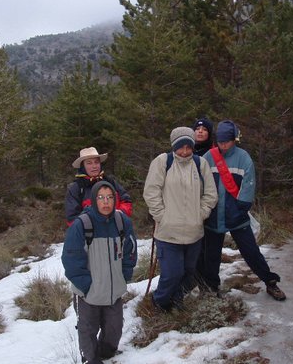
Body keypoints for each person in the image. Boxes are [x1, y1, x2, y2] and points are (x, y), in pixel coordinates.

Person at [197, 120, 286, 301]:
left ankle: (270, 282)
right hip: (213, 216)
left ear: (234, 140)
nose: (223, 145)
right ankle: (211, 288)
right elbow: (199, 182)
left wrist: (241, 208)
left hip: (236, 215)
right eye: (220, 141)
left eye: (226, 141)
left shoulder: (243, 158)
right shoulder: (208, 156)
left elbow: (248, 185)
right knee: (211, 256)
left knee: (251, 252)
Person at [62, 180, 137, 364]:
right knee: (87, 330)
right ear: (93, 200)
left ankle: (107, 353)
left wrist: (123, 277)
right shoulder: (82, 224)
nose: (106, 202)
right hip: (88, 293)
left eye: (110, 197)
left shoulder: (121, 222)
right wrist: (87, 287)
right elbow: (71, 260)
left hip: (114, 291)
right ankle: (91, 359)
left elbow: (130, 251)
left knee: (114, 329)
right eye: (101, 198)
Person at [143, 127, 218, 311]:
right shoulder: (163, 162)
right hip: (168, 234)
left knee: (188, 273)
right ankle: (159, 302)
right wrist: (162, 216)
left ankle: (177, 301)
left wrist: (201, 214)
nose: (185, 151)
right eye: (180, 147)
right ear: (173, 146)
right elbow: (151, 192)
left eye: (188, 147)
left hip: (194, 234)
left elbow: (210, 194)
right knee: (171, 274)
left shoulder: (200, 164)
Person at [65, 147, 132, 225]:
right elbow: (72, 218)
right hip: (90, 235)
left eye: (96, 162)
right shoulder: (76, 188)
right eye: (89, 163)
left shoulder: (110, 182)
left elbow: (126, 201)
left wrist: (119, 214)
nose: (94, 166)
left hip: (116, 231)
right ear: (82, 166)